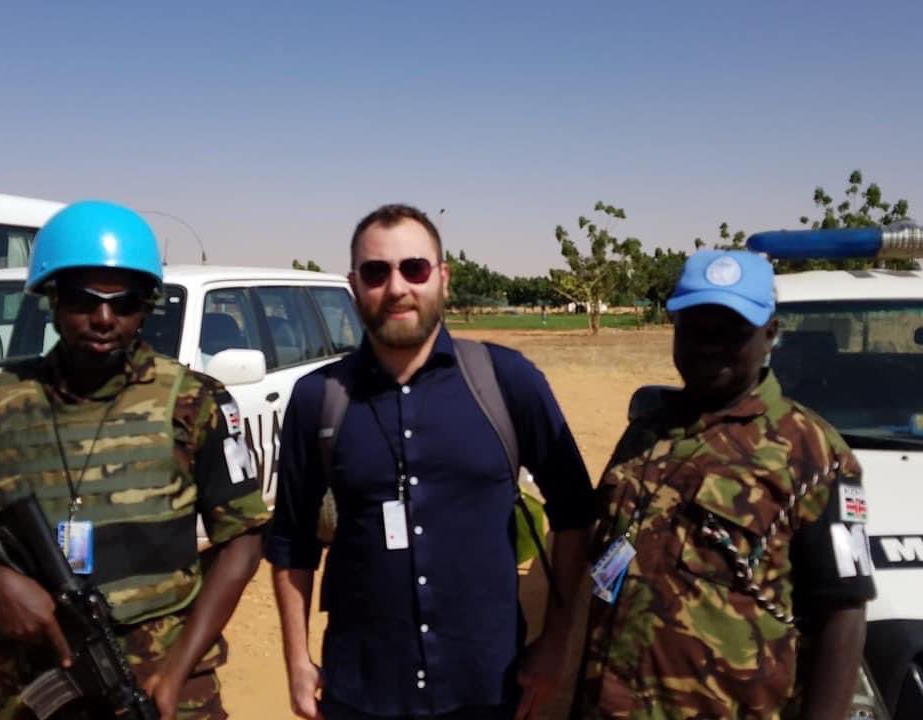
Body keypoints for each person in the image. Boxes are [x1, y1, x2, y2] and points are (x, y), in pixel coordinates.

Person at [266, 204, 595, 720]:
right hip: (362, 689)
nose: (397, 287)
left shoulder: (506, 381)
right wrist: (296, 660)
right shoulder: (318, 399)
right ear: (354, 285)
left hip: (487, 686)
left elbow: (576, 513)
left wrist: (555, 642)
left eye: (414, 269)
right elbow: (291, 540)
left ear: (442, 278)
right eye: (376, 272)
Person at [0, 200, 269, 720]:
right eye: (85, 300)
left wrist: (176, 667)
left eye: (124, 304)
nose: (104, 319)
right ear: (53, 300)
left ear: (146, 306)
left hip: (164, 680)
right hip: (30, 681)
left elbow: (242, 537)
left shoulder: (194, 402)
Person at [574, 250, 876, 719]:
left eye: (731, 330)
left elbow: (845, 614)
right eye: (695, 326)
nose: (708, 344)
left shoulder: (815, 453)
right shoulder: (644, 434)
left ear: (770, 334)